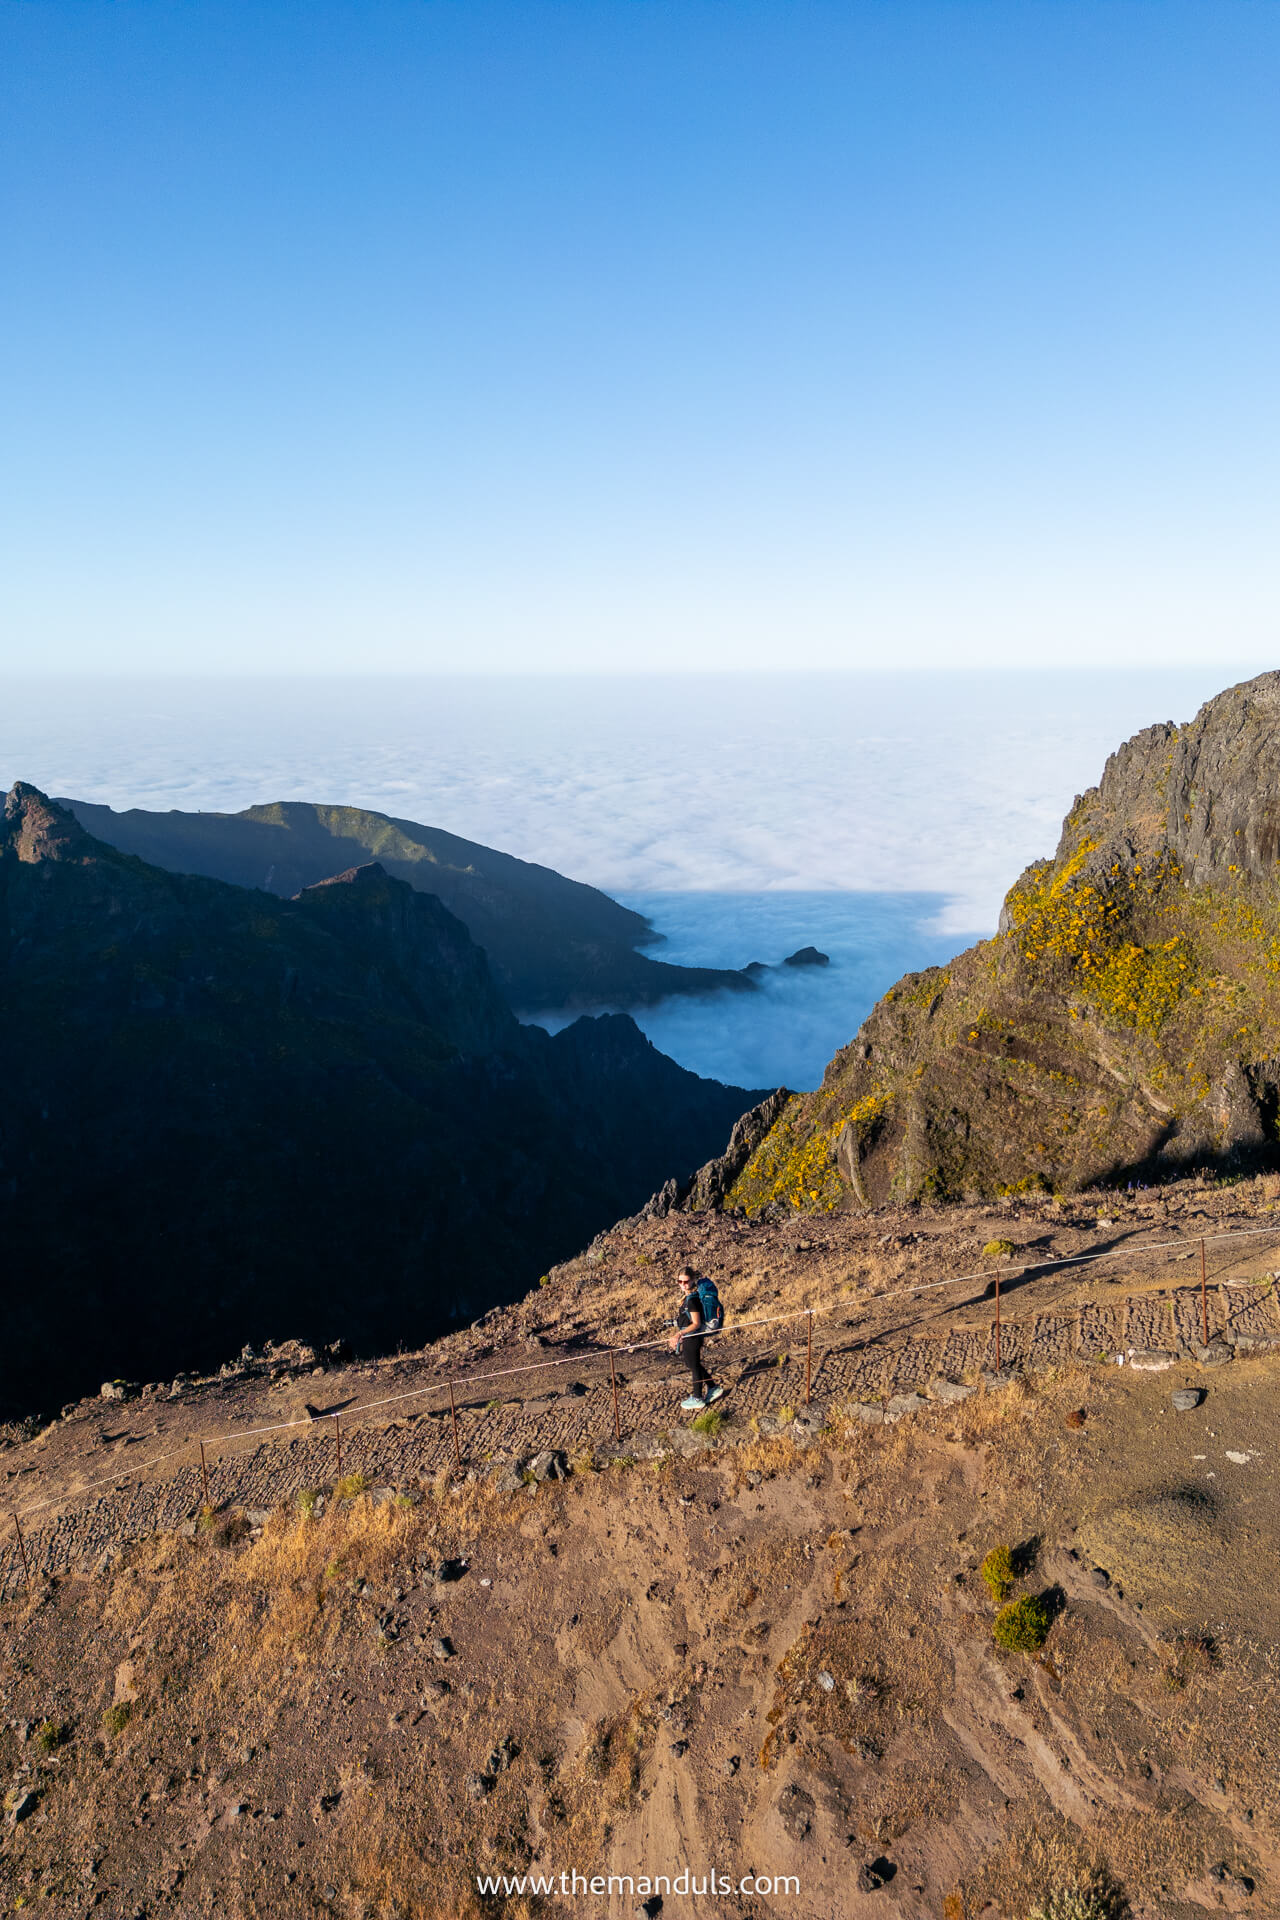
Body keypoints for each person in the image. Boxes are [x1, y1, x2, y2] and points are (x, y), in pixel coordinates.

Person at [670, 1267, 724, 1412]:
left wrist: (679, 1334)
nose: (683, 1284)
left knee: (693, 1366)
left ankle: (698, 1398)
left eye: (686, 1281)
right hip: (690, 1337)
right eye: (680, 1281)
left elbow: (696, 1323)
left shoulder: (692, 1300)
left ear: (693, 1280)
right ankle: (713, 1387)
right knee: (692, 1363)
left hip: (692, 1337)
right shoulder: (688, 1299)